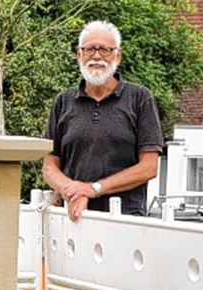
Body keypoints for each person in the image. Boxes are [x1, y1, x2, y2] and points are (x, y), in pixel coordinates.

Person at [41, 20, 163, 221]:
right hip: (73, 218)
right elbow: (49, 166)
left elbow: (149, 167)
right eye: (89, 49)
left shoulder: (140, 98)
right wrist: (72, 190)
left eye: (105, 50)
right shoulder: (64, 101)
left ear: (118, 55)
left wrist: (94, 189)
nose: (96, 56)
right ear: (79, 54)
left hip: (124, 221)